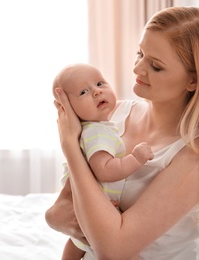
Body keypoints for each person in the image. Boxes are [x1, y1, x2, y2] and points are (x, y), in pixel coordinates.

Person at [46, 6, 199, 259]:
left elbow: (113, 249)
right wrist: (59, 217)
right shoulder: (114, 115)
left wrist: (70, 146)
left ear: (193, 80)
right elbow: (58, 211)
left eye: (155, 66)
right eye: (140, 53)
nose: (137, 69)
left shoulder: (195, 157)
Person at [51, 63, 154, 259]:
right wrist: (136, 158)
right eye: (83, 91)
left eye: (100, 83)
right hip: (97, 208)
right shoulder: (97, 132)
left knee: (76, 244)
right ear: (68, 108)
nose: (97, 92)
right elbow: (104, 170)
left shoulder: (93, 130)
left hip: (87, 207)